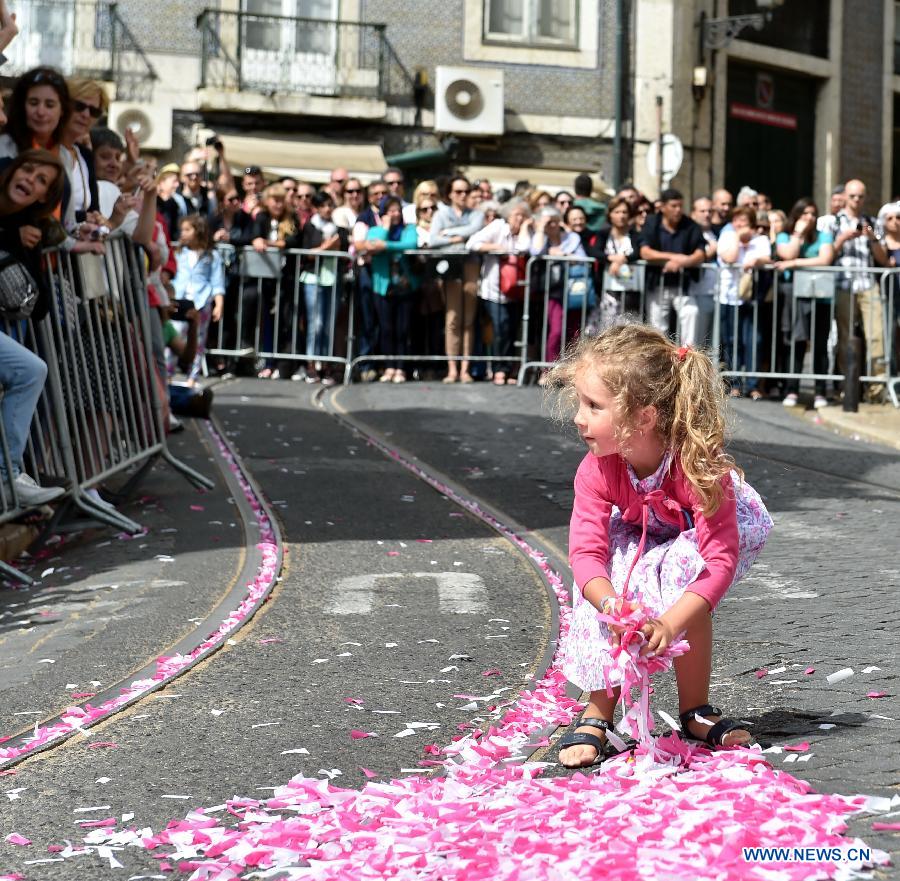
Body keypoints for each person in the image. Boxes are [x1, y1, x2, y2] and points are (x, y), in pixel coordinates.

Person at [548, 323, 772, 768]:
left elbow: (717, 560)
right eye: (580, 403)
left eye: (594, 405)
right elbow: (586, 553)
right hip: (642, 527)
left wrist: (668, 624)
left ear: (643, 417)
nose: (579, 416)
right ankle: (599, 710)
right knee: (608, 580)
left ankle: (695, 711)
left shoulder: (698, 465)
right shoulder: (596, 468)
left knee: (685, 572)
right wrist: (612, 605)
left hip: (707, 541)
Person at [0, 149, 67, 507]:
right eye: (27, 169)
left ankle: (7, 475)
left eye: (41, 180)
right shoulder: (14, 226)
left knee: (30, 369)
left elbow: (38, 305)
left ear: (45, 197)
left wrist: (19, 241)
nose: (29, 179)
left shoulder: (29, 227)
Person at [774, 198, 835, 409]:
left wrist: (794, 264)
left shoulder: (824, 235)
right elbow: (787, 253)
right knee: (796, 342)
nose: (809, 218)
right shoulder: (784, 235)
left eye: (812, 214)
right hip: (796, 297)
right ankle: (792, 389)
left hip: (821, 296)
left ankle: (820, 391)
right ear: (797, 215)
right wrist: (798, 235)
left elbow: (825, 259)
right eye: (805, 213)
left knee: (819, 344)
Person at [830, 178, 888, 401]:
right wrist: (843, 238)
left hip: (867, 283)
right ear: (845, 196)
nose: (856, 200)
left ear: (865, 198)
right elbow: (827, 254)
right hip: (843, 284)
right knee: (846, 337)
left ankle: (876, 389)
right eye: (852, 196)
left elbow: (883, 259)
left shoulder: (872, 222)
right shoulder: (833, 222)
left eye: (860, 196)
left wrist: (872, 239)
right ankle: (848, 387)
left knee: (876, 336)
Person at [466, 198, 533, 385]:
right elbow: (472, 243)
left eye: (523, 215)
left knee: (511, 330)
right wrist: (495, 248)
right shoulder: (497, 226)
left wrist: (526, 228)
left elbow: (525, 248)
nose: (519, 219)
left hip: (516, 291)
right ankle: (498, 369)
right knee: (500, 328)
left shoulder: (525, 233)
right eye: (516, 214)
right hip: (493, 290)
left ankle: (508, 368)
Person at [356, 195, 418, 383]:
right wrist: (385, 228)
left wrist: (387, 246)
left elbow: (410, 244)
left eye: (398, 210)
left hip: (404, 286)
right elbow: (374, 244)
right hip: (383, 286)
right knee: (386, 328)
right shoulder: (375, 230)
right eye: (390, 210)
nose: (395, 214)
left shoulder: (409, 229)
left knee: (403, 328)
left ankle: (400, 368)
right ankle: (389, 366)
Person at [429, 175, 485, 383]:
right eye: (458, 191)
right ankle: (452, 368)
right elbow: (433, 239)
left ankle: (465, 369)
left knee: (468, 319)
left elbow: (474, 230)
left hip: (470, 265)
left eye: (466, 191)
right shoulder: (440, 214)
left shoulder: (476, 214)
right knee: (453, 318)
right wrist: (459, 237)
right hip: (450, 268)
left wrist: (450, 234)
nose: (463, 195)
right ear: (450, 194)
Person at [716, 206, 771, 398]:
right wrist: (739, 238)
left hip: (751, 297)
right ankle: (734, 384)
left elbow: (767, 258)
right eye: (737, 220)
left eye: (745, 222)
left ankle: (753, 384)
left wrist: (756, 260)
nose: (740, 225)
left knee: (753, 340)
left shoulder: (761, 240)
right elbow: (729, 257)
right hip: (729, 297)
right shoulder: (727, 237)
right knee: (731, 341)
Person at [638, 188, 705, 335]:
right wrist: (674, 257)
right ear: (663, 207)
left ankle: (689, 354)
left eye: (680, 206)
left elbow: (700, 254)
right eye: (673, 206)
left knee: (691, 313)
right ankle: (660, 357)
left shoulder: (690, 225)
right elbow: (645, 252)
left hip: (682, 284)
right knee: (657, 327)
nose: (678, 210)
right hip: (657, 284)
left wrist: (683, 262)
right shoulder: (651, 223)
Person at [530, 205, 587, 377]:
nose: (553, 226)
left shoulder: (572, 238)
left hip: (572, 290)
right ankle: (549, 370)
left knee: (572, 331)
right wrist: (541, 230)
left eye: (555, 222)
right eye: (549, 223)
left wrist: (563, 254)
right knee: (555, 331)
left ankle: (569, 371)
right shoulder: (540, 238)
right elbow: (535, 251)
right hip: (551, 291)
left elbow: (583, 259)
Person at [171, 214, 225, 383]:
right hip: (180, 299)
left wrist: (219, 304)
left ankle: (192, 376)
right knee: (174, 336)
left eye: (188, 230)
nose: (183, 233)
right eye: (182, 230)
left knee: (199, 341)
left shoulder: (212, 256)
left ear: (198, 231)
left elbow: (217, 281)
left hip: (201, 301)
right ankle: (169, 373)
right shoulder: (180, 253)